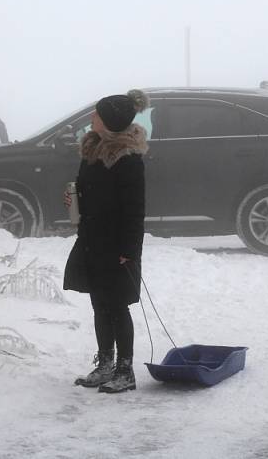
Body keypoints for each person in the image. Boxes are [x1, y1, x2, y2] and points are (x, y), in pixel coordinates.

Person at [63, 89, 149, 394]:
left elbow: (135, 211)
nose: (91, 118)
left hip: (116, 247)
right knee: (99, 304)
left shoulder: (128, 160)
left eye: (97, 115)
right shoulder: (93, 150)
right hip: (92, 240)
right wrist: (75, 200)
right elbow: (89, 191)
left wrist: (129, 252)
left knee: (117, 307)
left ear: (109, 121)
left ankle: (125, 370)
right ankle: (105, 364)